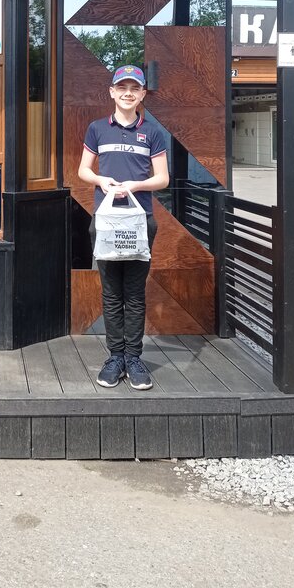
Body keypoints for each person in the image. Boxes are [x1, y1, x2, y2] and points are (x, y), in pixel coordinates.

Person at [77, 65, 169, 390]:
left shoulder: (152, 133)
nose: (128, 93)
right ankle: (115, 357)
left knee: (134, 292)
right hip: (105, 223)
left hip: (140, 222)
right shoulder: (97, 129)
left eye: (134, 88)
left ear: (142, 94)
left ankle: (134, 358)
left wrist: (135, 185)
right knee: (111, 292)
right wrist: (101, 180)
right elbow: (83, 170)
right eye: (122, 87)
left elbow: (163, 178)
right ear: (112, 92)